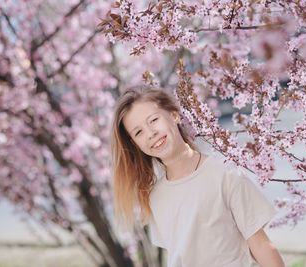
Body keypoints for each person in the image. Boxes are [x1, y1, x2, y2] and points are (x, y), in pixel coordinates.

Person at [111, 86, 285, 267]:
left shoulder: (225, 174)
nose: (151, 133)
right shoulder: (155, 197)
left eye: (154, 120)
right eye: (138, 132)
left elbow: (261, 246)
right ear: (135, 144)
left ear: (174, 115)